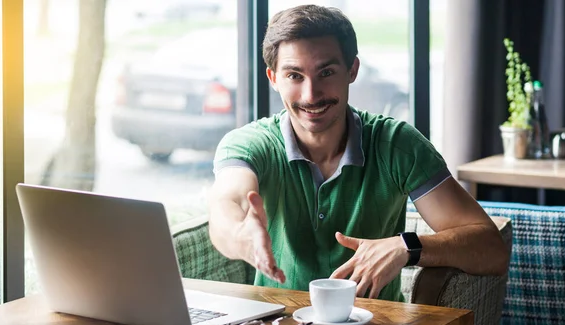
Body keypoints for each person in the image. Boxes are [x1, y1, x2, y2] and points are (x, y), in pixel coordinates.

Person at [208, 4, 509, 303]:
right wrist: (240, 236)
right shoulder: (250, 144)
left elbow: (491, 249)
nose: (311, 95)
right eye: (294, 76)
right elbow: (227, 204)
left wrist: (406, 247)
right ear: (273, 79)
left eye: (326, 72)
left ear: (352, 70)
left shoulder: (397, 144)